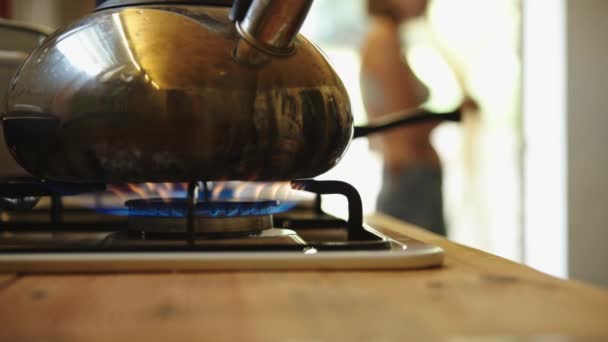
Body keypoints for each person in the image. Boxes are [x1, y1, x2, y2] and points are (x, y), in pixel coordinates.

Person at [361, 0, 446, 235]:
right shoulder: (384, 38)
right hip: (412, 181)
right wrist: (451, 114)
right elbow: (406, 125)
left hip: (408, 177)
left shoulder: (383, 36)